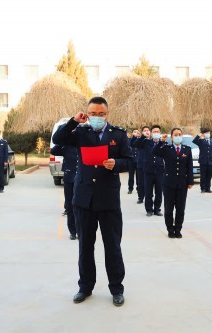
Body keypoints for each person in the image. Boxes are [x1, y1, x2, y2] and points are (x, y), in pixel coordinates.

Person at [53, 96, 132, 307]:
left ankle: (116, 288)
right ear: (87, 114)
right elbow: (58, 140)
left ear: (108, 114)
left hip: (108, 200)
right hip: (84, 199)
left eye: (101, 114)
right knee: (85, 246)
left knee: (112, 246)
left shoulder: (118, 134)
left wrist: (116, 163)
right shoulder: (80, 132)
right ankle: (85, 287)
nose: (97, 117)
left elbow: (130, 161)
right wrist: (73, 121)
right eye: (93, 114)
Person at [153, 128, 194, 238]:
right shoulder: (166, 148)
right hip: (168, 182)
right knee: (169, 207)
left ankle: (178, 229)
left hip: (182, 183)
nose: (178, 136)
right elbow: (154, 152)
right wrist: (161, 141)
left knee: (180, 208)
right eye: (175, 134)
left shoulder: (187, 149)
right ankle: (170, 229)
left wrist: (190, 181)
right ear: (171, 136)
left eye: (179, 134)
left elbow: (189, 167)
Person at [134, 125, 164, 217]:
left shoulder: (163, 143)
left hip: (159, 170)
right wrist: (143, 136)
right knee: (148, 192)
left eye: (157, 132)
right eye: (154, 132)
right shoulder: (146, 142)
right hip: (148, 170)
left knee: (159, 191)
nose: (156, 133)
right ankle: (149, 209)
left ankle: (157, 209)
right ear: (151, 133)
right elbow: (135, 144)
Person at [50, 143, 78, 240]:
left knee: (82, 206)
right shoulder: (66, 146)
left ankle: (81, 230)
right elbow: (53, 151)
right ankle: (73, 232)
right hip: (69, 178)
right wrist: (63, 139)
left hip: (83, 179)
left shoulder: (85, 142)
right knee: (70, 206)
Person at [192, 128, 212, 193]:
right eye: (206, 133)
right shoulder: (201, 141)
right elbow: (194, 141)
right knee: (203, 176)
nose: (208, 134)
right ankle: (203, 188)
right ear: (203, 134)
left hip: (211, 161)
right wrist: (199, 135)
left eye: (209, 133)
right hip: (203, 161)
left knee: (209, 175)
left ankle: (208, 188)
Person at [132, 126, 149, 204]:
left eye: (147, 130)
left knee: (148, 183)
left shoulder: (151, 140)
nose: (146, 132)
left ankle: (149, 197)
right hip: (141, 164)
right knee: (140, 182)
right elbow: (133, 144)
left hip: (149, 165)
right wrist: (142, 137)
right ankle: (140, 197)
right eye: (144, 131)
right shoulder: (139, 140)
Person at [127, 129, 140, 195]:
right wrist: (134, 137)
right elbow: (130, 145)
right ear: (132, 133)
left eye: (137, 132)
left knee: (138, 176)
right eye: (134, 132)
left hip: (138, 160)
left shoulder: (140, 140)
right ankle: (130, 188)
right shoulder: (129, 140)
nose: (136, 133)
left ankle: (138, 188)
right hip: (131, 160)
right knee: (131, 175)